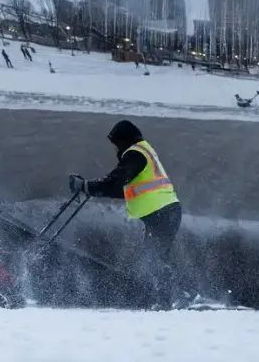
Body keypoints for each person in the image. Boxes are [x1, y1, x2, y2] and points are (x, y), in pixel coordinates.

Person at [70, 120, 182, 309]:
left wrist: (86, 186)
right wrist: (91, 188)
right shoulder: (141, 152)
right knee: (156, 257)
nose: (116, 148)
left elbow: (114, 180)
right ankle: (170, 298)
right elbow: (123, 190)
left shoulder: (136, 155)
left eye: (117, 143)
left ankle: (174, 298)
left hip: (162, 213)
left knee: (156, 258)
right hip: (163, 212)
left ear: (125, 140)